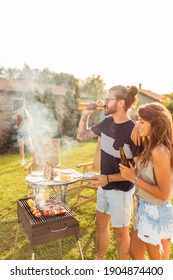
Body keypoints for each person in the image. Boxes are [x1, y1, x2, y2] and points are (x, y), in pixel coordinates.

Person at [77, 85, 143, 260]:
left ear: (120, 103)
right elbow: (81, 135)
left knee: (120, 235)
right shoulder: (107, 122)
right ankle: (100, 262)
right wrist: (86, 113)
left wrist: (107, 178)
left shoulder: (133, 130)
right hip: (104, 187)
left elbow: (138, 172)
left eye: (108, 99)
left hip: (121, 190)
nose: (104, 103)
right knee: (100, 226)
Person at [119, 102, 173, 260]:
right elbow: (149, 175)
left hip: (156, 211)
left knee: (159, 265)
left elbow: (163, 194)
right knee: (135, 254)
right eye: (138, 120)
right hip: (143, 207)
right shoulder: (150, 145)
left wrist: (133, 178)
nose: (138, 125)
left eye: (142, 121)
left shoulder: (159, 151)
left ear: (155, 124)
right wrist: (134, 173)